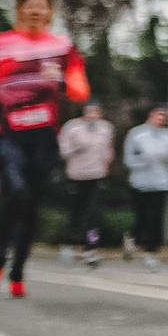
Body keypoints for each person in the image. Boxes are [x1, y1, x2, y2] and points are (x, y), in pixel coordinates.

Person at [0, 0, 89, 295]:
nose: (35, 11)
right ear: (19, 10)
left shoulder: (62, 47)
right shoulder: (0, 43)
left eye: (41, 6)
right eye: (30, 6)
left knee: (31, 204)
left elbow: (80, 91)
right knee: (15, 191)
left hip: (44, 136)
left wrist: (61, 79)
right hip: (7, 132)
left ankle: (17, 272)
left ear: (50, 12)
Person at [58, 101, 115, 268]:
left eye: (96, 112)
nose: (92, 115)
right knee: (75, 212)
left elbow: (108, 150)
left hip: (96, 176)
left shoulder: (106, 128)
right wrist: (77, 146)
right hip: (76, 176)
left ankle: (92, 247)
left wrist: (107, 162)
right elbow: (63, 151)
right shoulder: (72, 127)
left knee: (94, 214)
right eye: (89, 111)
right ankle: (70, 242)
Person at [122, 106, 168, 270]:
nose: (161, 118)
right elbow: (128, 159)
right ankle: (133, 239)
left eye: (164, 116)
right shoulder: (136, 134)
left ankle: (151, 251)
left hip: (161, 182)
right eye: (159, 115)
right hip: (140, 182)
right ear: (151, 115)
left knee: (156, 218)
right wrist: (145, 160)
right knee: (142, 217)